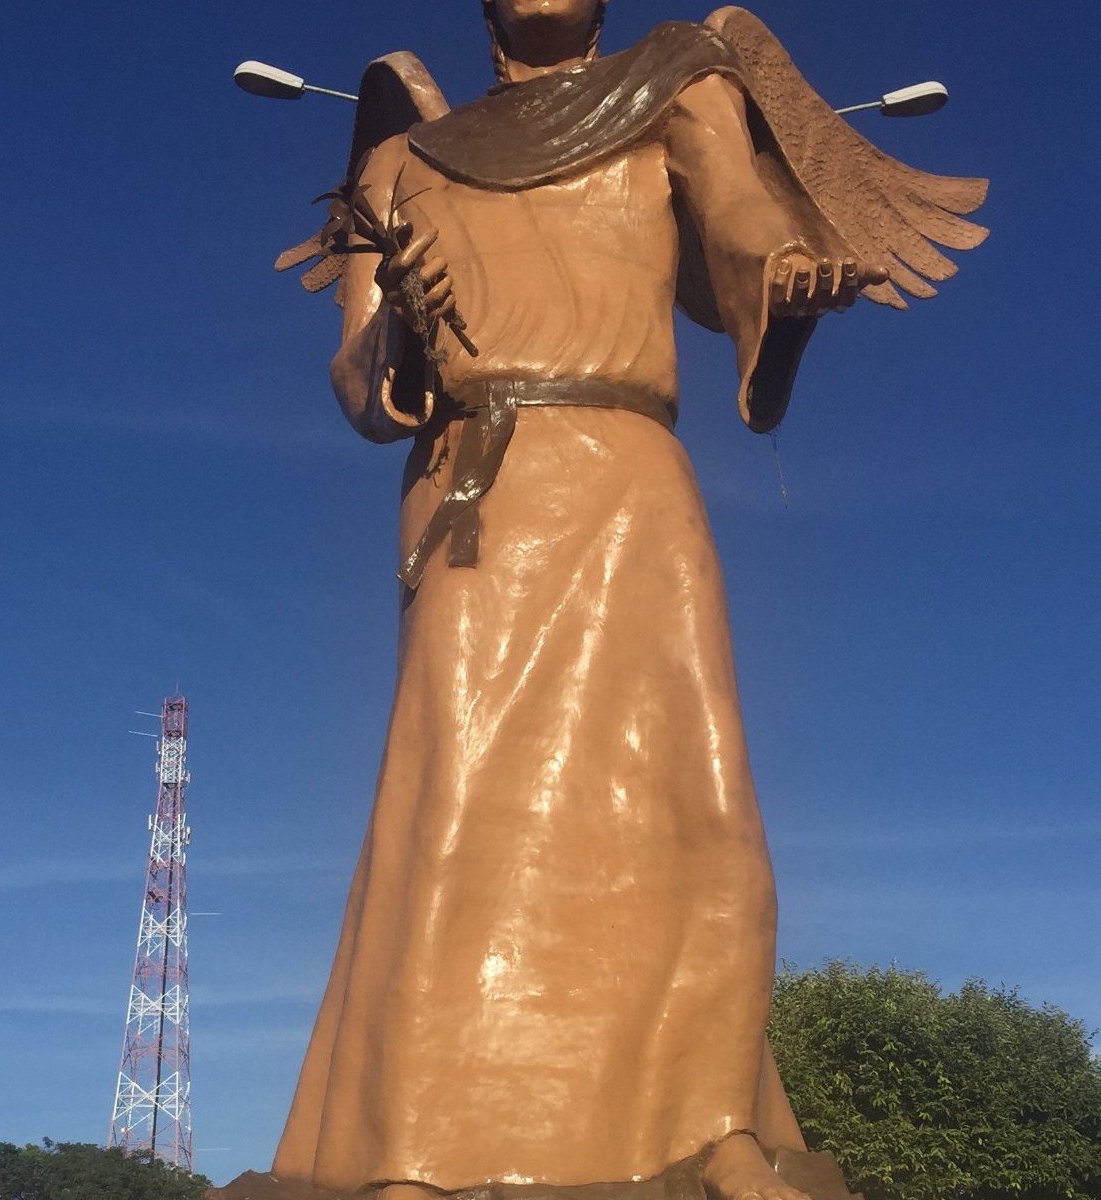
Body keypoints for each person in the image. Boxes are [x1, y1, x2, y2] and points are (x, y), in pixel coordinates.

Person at [217, 4, 986, 1199]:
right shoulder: (398, 157)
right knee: (461, 802)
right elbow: (357, 378)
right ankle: (417, 1150)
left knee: (689, 796)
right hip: (479, 488)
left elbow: (737, 221)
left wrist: (780, 280)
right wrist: (404, 353)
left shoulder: (681, 84)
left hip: (629, 480)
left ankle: (712, 1124)